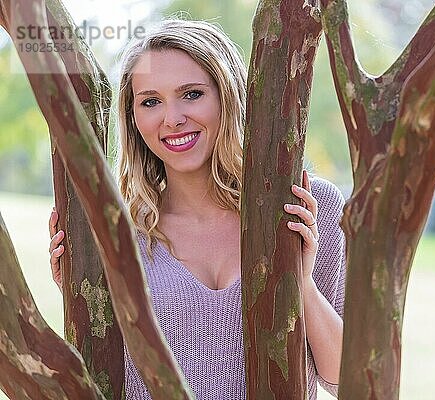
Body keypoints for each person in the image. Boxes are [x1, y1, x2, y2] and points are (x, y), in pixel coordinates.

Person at [47, 19, 346, 400]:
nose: (172, 119)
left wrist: (301, 283)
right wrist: (77, 295)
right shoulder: (118, 230)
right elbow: (97, 378)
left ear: (228, 95)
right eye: (151, 101)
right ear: (134, 118)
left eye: (191, 94)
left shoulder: (305, 205)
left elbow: (345, 381)